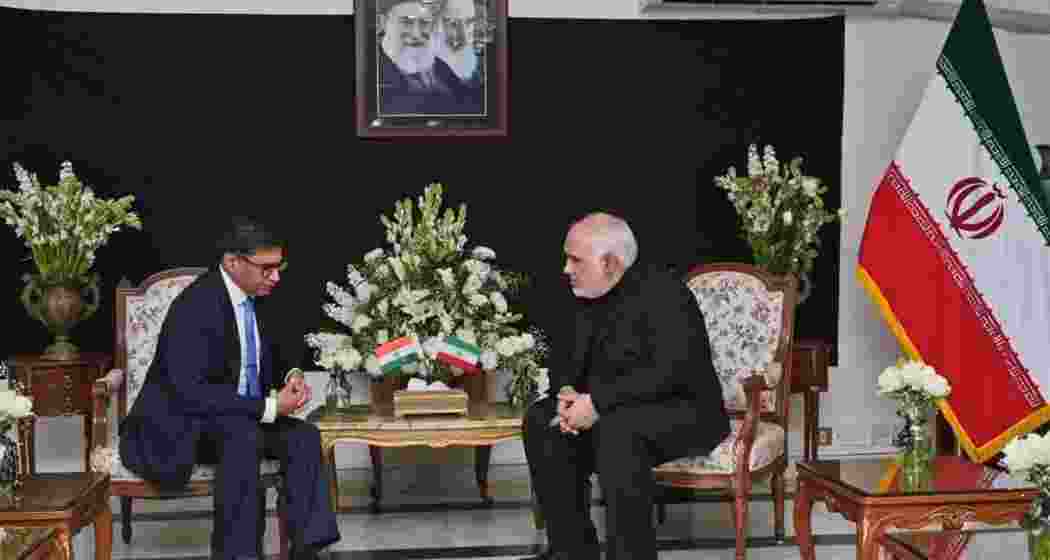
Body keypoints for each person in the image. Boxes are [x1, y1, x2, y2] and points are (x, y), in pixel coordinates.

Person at [119, 216, 341, 560]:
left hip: (239, 416)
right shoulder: (195, 306)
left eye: (279, 267)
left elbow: (281, 354)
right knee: (241, 436)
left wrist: (293, 377)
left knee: (304, 437)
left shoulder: (261, 295)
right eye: (266, 268)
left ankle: (308, 548)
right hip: (184, 422)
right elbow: (190, 393)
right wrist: (269, 408)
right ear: (232, 261)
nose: (276, 277)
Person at [522, 212, 730, 560]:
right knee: (543, 422)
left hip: (684, 412)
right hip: (610, 410)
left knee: (619, 433)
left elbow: (671, 372)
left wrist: (598, 402)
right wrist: (566, 396)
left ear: (611, 263)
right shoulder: (579, 292)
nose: (566, 268)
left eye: (575, 260)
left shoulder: (665, 292)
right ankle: (571, 551)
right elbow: (562, 360)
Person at [377, 0, 482, 116]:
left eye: (424, 22)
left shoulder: (438, 67)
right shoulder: (374, 76)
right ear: (382, 22)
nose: (416, 33)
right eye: (406, 22)